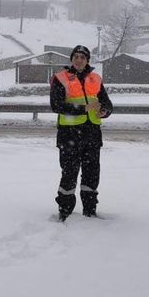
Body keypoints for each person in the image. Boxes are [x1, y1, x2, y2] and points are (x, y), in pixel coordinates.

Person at [50, 45, 113, 221]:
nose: (79, 60)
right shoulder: (61, 78)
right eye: (76, 56)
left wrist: (105, 111)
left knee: (92, 174)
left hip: (92, 134)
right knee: (69, 174)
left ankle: (90, 211)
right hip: (69, 135)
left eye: (83, 57)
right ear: (72, 59)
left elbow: (107, 103)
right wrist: (83, 108)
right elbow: (56, 105)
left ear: (87, 60)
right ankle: (65, 211)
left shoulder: (95, 79)